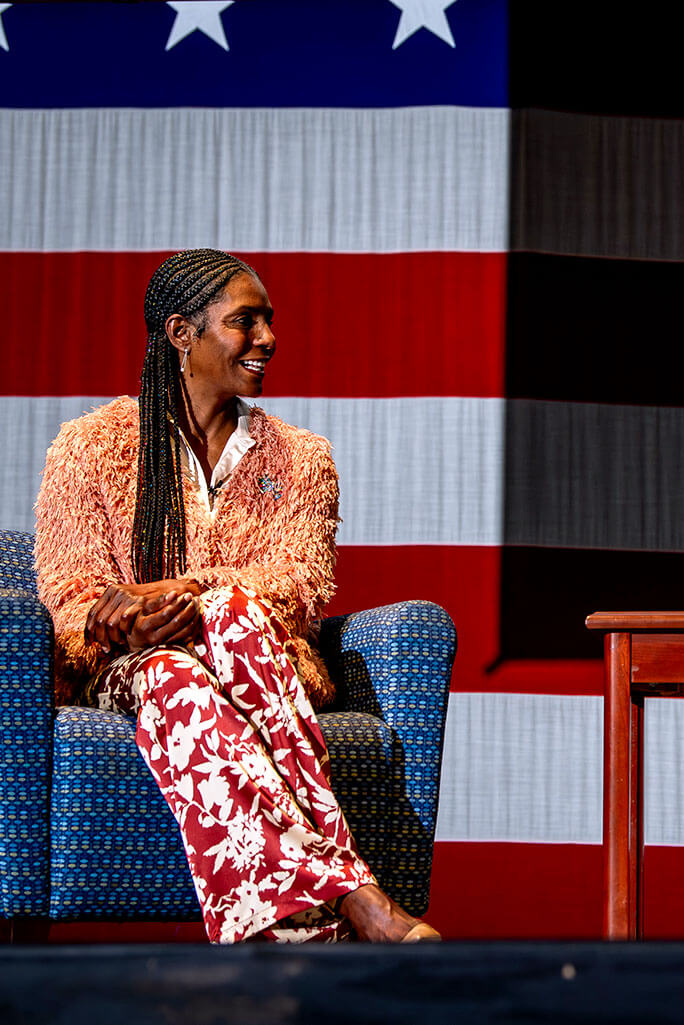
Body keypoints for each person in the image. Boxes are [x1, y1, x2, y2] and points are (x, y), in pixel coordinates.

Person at [33, 249, 440, 944]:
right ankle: (355, 892)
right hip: (123, 668)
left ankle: (295, 939)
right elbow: (68, 587)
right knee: (167, 667)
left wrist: (193, 590)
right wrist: (121, 619)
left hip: (258, 659)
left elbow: (299, 583)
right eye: (244, 321)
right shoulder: (91, 446)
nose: (268, 339)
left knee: (210, 636)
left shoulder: (301, 457)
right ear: (180, 333)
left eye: (269, 321)